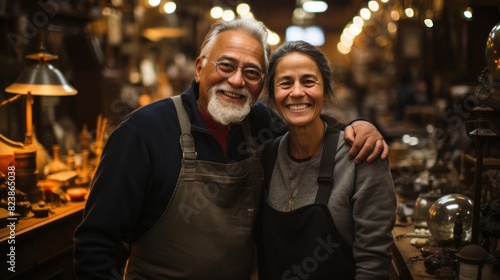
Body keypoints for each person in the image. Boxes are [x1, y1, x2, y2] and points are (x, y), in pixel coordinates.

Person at [73, 19, 389, 279]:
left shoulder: (263, 126)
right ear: (199, 68)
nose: (237, 81)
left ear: (261, 84)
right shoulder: (143, 133)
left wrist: (359, 126)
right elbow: (94, 244)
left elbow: (309, 122)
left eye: (251, 72)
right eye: (226, 65)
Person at [256, 41, 396, 279]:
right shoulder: (265, 157)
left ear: (326, 89)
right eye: (285, 83)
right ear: (273, 94)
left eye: (309, 81)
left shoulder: (362, 156)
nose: (297, 92)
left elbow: (374, 263)